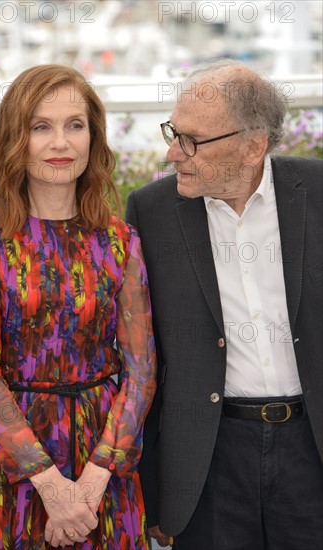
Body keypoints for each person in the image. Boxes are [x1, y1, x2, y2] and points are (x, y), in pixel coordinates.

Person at [0, 64, 157, 549]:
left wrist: (91, 484)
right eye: (40, 127)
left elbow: (142, 370)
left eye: (75, 125)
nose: (60, 143)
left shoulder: (121, 239)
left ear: (94, 137)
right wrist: (50, 486)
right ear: (14, 140)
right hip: (14, 462)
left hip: (103, 462)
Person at [126, 59, 323, 550]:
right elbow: (144, 365)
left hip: (311, 447)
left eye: (192, 139)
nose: (173, 153)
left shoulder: (317, 193)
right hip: (208, 459)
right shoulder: (150, 212)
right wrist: (154, 491)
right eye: (173, 132)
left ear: (253, 145)